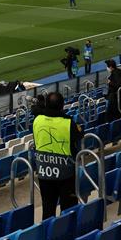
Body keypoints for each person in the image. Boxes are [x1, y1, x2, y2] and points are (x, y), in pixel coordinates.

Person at [31, 91, 80, 219]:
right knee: (69, 210)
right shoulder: (68, 123)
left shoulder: (37, 120)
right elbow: (79, 136)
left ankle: (47, 235)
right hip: (65, 173)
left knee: (47, 208)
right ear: (62, 106)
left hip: (44, 172)